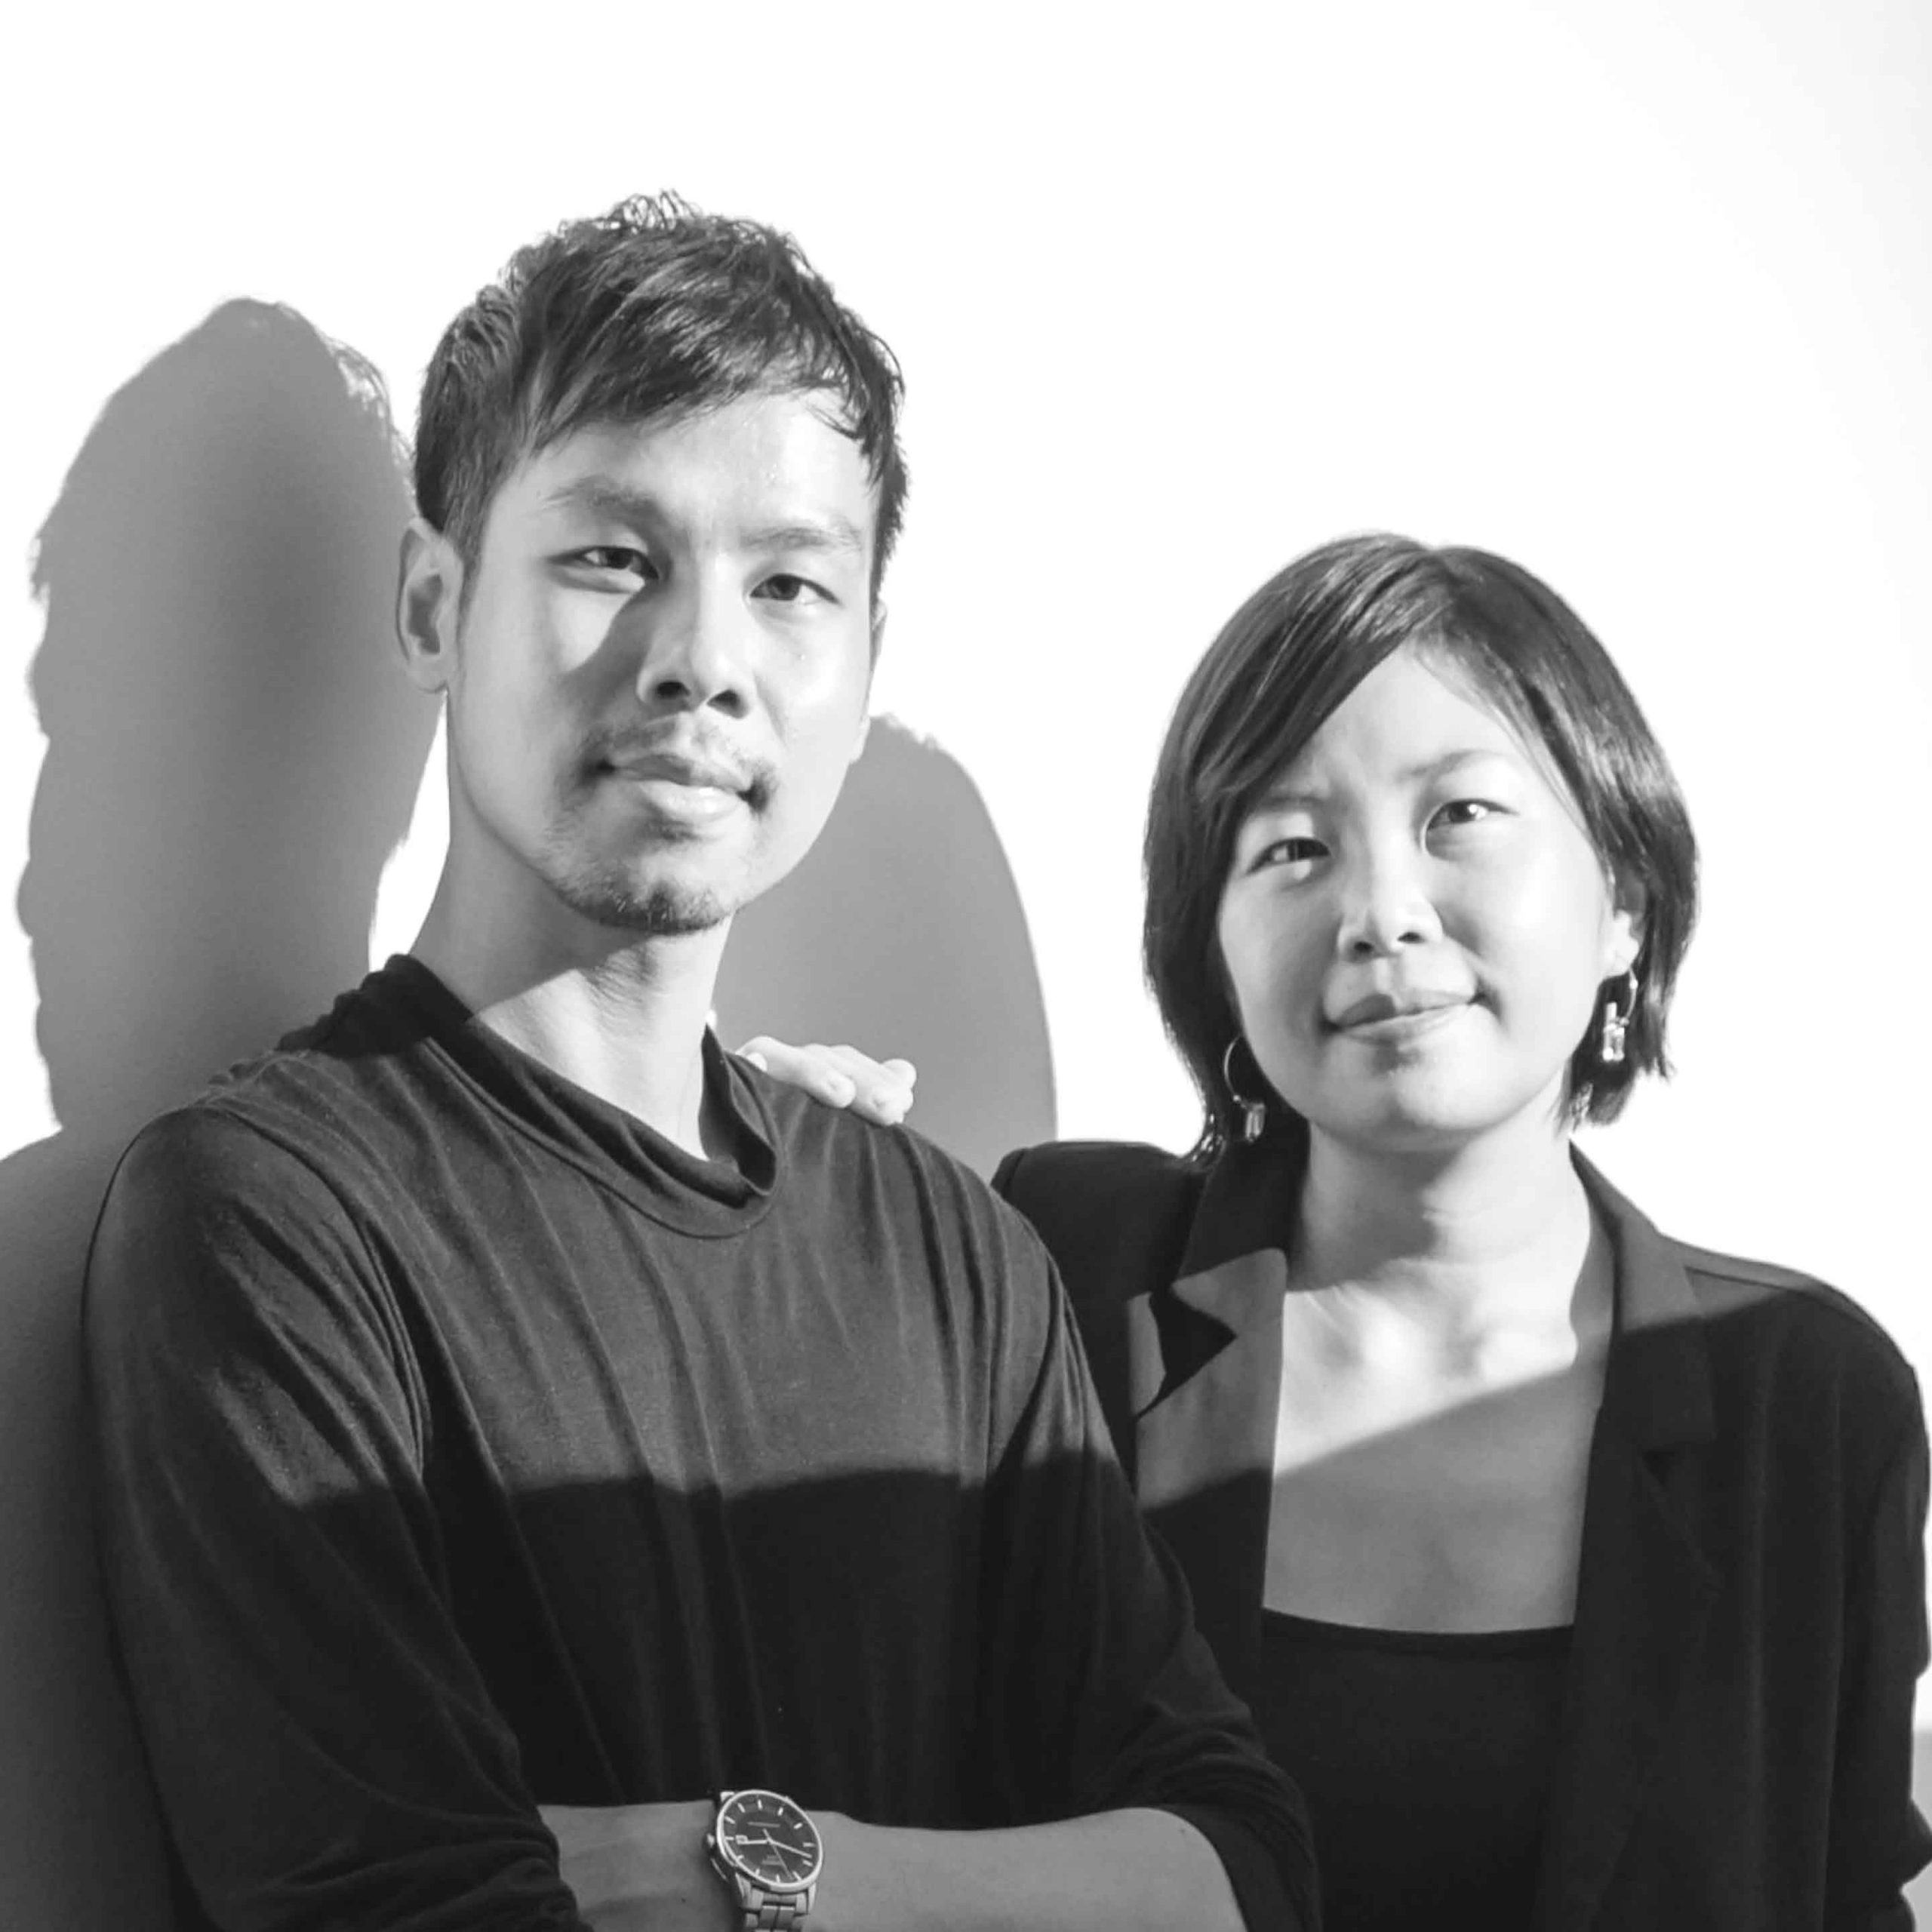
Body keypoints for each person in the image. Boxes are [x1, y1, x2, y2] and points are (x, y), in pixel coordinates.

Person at [80, 196, 1316, 1932]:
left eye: (789, 585)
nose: (700, 663)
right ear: (434, 605)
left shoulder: (955, 1255)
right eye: (609, 556)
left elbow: (1238, 1866)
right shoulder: (271, 1218)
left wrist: (745, 1863)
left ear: (862, 662)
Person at [761, 533, 1932, 1928]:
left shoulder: (1804, 1400)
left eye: (1461, 815)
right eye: (1294, 848)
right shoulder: (1063, 1273)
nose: (1381, 914)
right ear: (1214, 953)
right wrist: (744, 1193)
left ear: (1622, 896)